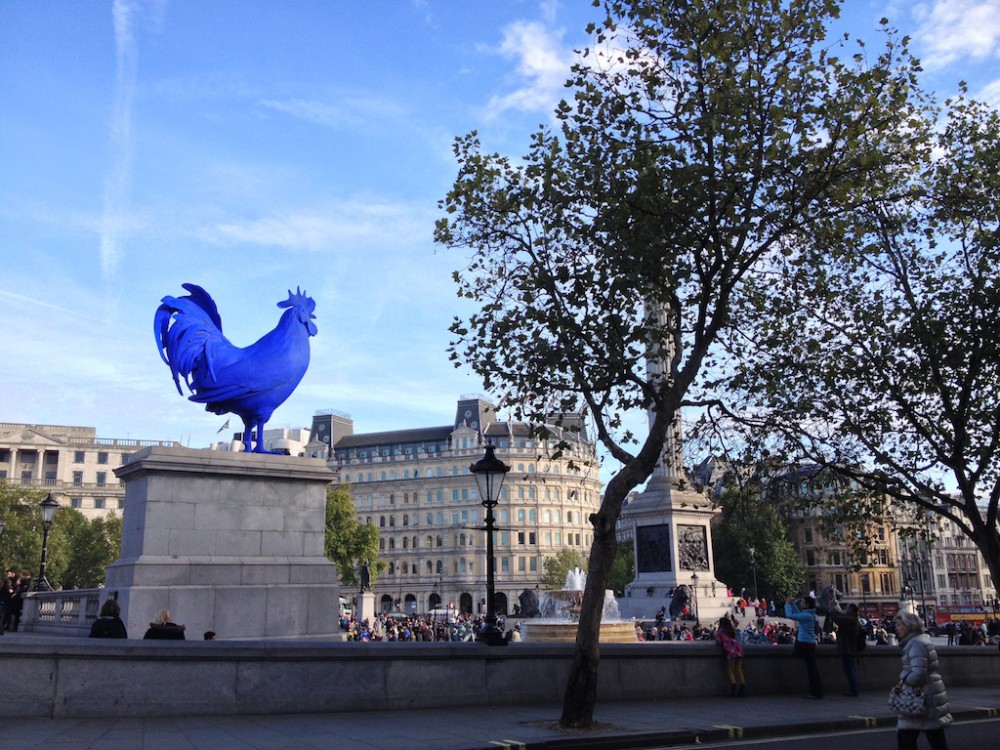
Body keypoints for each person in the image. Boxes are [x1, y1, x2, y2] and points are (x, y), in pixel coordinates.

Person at [893, 611, 952, 750]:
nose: (897, 628)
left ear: (909, 626)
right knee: (935, 737)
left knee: (906, 737)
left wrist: (904, 677)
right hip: (929, 695)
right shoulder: (920, 641)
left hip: (921, 698)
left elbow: (918, 674)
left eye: (900, 625)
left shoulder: (916, 644)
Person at [785, 596, 824, 699]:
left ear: (807, 605)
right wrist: (792, 604)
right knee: (812, 669)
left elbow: (790, 615)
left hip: (805, 643)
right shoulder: (809, 614)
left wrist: (787, 604)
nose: (801, 604)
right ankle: (817, 692)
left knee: (812, 670)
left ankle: (816, 693)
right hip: (809, 643)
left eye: (802, 602)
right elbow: (798, 614)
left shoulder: (807, 615)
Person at [828, 602, 861, 696]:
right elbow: (841, 616)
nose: (845, 609)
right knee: (851, 669)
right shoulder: (853, 618)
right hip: (849, 648)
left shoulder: (850, 619)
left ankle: (854, 691)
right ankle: (853, 690)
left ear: (851, 609)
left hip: (847, 648)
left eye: (847, 608)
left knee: (849, 670)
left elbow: (839, 619)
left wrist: (832, 609)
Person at [715, 616, 746, 697]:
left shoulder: (721, 631)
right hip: (738, 649)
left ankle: (733, 689)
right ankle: (742, 689)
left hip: (730, 651)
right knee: (739, 669)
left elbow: (719, 641)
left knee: (730, 670)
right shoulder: (731, 630)